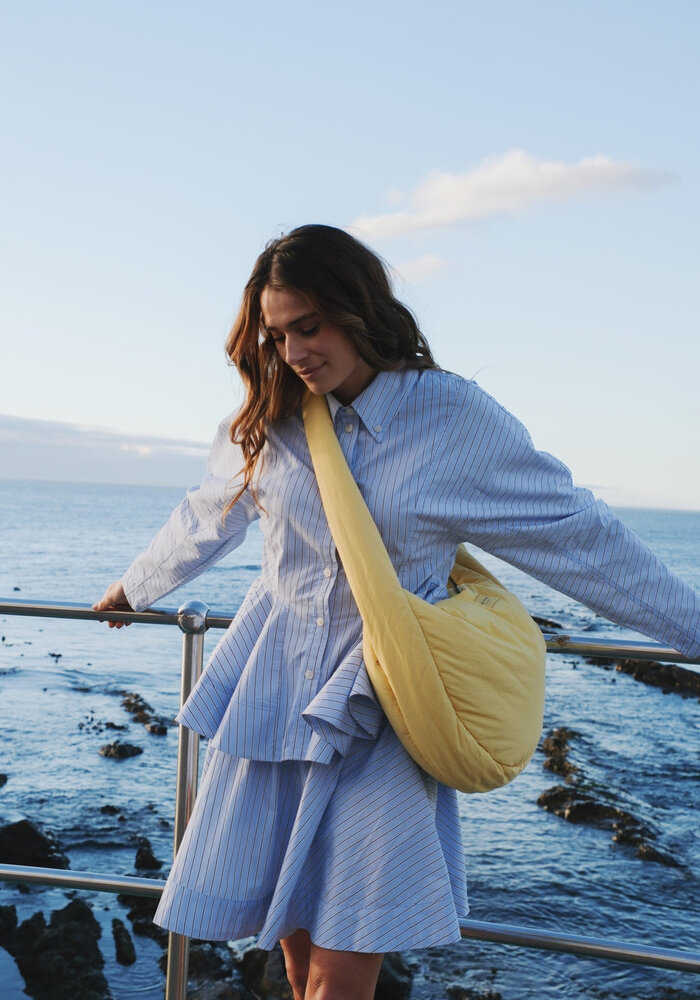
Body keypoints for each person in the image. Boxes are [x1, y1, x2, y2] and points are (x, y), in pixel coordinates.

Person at [94, 224, 700, 1000]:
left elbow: (577, 535)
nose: (294, 352)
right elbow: (210, 512)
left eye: (310, 327)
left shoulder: (450, 417)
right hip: (276, 693)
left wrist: (689, 629)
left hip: (381, 700)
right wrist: (136, 586)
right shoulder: (274, 414)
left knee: (348, 956)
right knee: (295, 947)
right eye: (277, 335)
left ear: (359, 310)